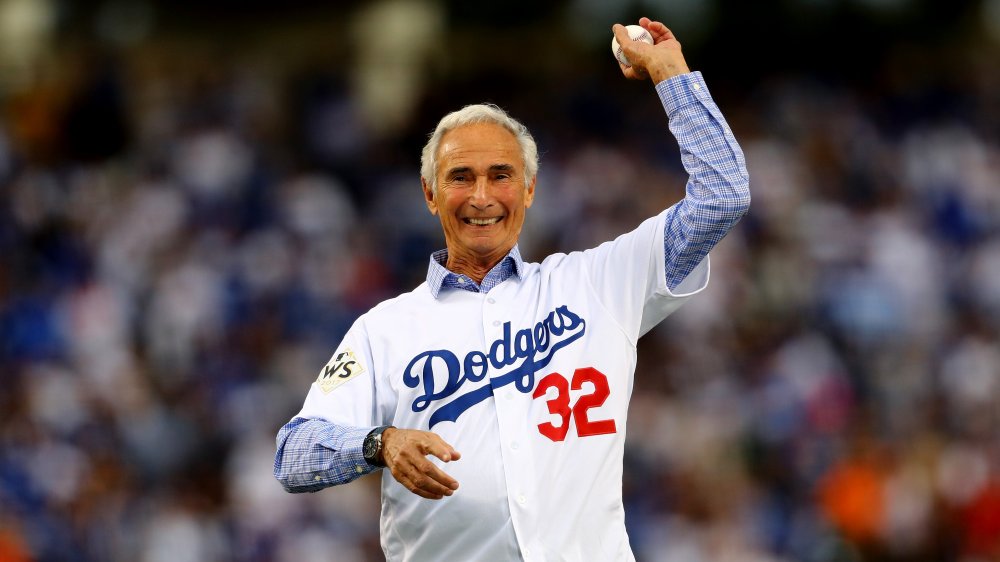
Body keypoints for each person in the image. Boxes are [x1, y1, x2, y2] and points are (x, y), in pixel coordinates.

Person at [274, 17, 750, 561]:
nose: (482, 195)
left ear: (528, 190)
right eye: (460, 177)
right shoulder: (385, 328)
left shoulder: (597, 282)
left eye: (500, 175)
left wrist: (670, 72)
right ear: (430, 194)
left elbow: (722, 198)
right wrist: (379, 443)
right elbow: (294, 453)